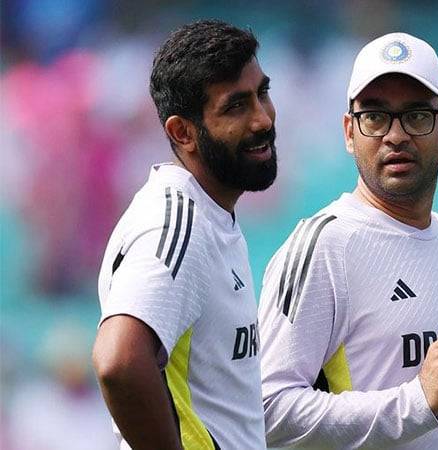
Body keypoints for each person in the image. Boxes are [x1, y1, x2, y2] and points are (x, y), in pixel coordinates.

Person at [258, 32, 438, 449]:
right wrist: (414, 402)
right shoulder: (326, 245)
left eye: (418, 115)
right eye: (375, 116)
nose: (396, 135)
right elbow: (266, 410)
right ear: (350, 132)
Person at [93, 20, 276, 450]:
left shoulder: (211, 214)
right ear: (182, 132)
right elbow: (118, 360)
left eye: (262, 94)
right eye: (236, 106)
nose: (262, 120)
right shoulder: (179, 222)